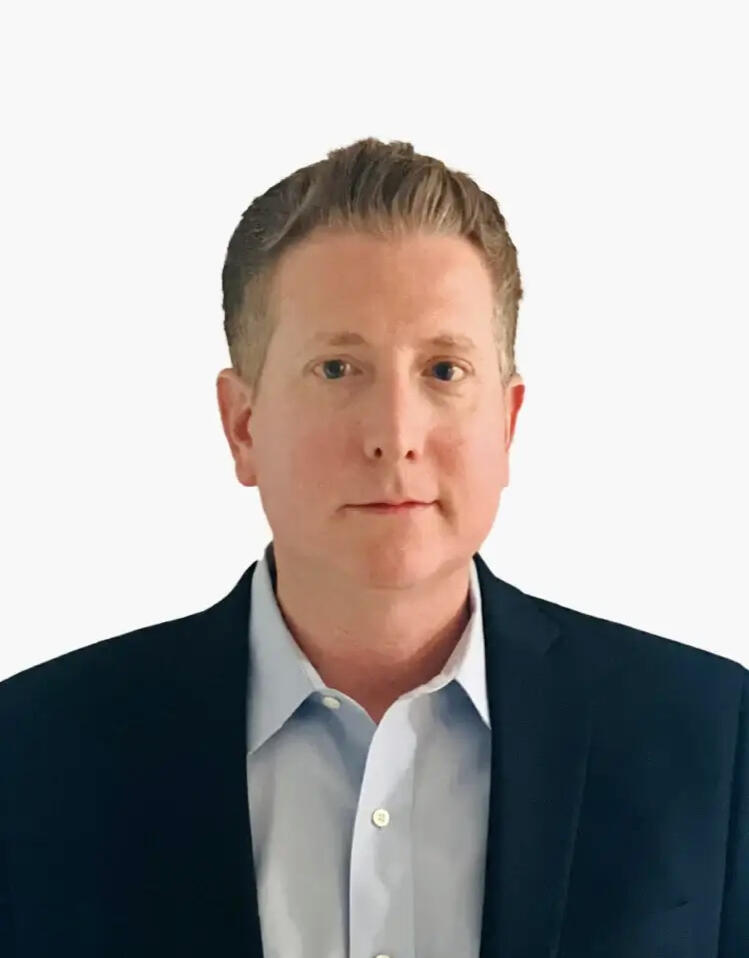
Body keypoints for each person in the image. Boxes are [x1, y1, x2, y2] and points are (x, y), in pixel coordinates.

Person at [0, 137, 745, 957]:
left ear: (506, 423)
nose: (394, 433)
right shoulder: (34, 753)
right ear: (242, 425)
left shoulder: (710, 736)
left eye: (443, 370)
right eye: (336, 368)